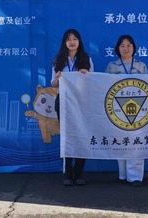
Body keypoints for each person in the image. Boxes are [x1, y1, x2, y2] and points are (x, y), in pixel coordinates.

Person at [51, 28, 94, 186]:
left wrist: (86, 75)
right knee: (66, 135)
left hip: (82, 102)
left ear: (79, 41)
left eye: (75, 38)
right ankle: (68, 175)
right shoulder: (58, 60)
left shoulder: (86, 59)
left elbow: (93, 82)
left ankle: (79, 173)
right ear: (64, 42)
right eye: (68, 39)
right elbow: (53, 84)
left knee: (82, 134)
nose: (72, 42)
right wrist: (57, 79)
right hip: (63, 100)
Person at [105, 34, 148, 187]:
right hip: (117, 109)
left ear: (134, 48)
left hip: (138, 109)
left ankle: (135, 176)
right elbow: (105, 87)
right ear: (118, 48)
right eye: (122, 46)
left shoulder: (141, 66)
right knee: (121, 140)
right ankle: (123, 174)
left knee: (136, 141)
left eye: (129, 45)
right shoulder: (112, 66)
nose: (126, 48)